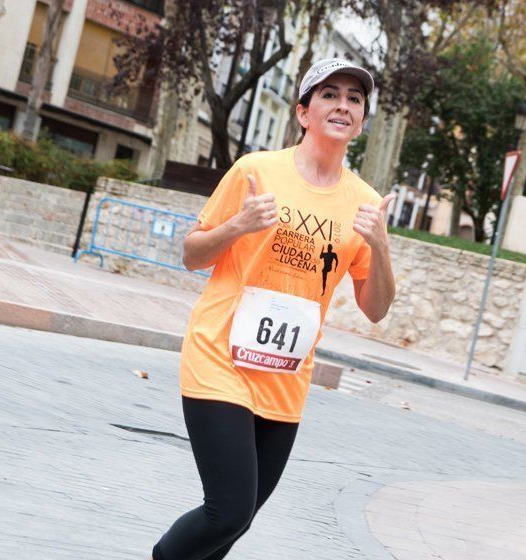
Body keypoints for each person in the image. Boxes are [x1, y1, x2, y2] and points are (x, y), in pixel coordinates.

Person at [150, 58, 396, 560]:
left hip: (285, 374)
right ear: (303, 112)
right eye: (329, 94)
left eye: (354, 98)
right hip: (220, 357)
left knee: (235, 524)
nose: (342, 105)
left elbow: (375, 309)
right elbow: (193, 254)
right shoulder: (256, 170)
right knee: (229, 510)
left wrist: (383, 248)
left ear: (362, 122)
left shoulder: (365, 203)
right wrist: (237, 226)